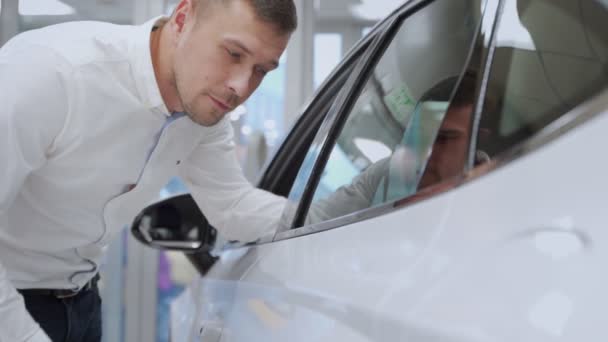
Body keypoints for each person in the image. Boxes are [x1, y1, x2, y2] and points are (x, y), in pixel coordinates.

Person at [0, 0, 296, 341]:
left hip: (81, 301)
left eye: (262, 70)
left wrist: (337, 217)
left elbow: (233, 205)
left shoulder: (202, 112)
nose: (241, 87)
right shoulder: (50, 72)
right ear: (183, 17)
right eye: (233, 53)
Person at [305, 72, 494, 225]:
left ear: (479, 140)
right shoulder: (386, 175)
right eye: (419, 136)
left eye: (443, 138)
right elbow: (315, 220)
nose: (425, 152)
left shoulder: (493, 194)